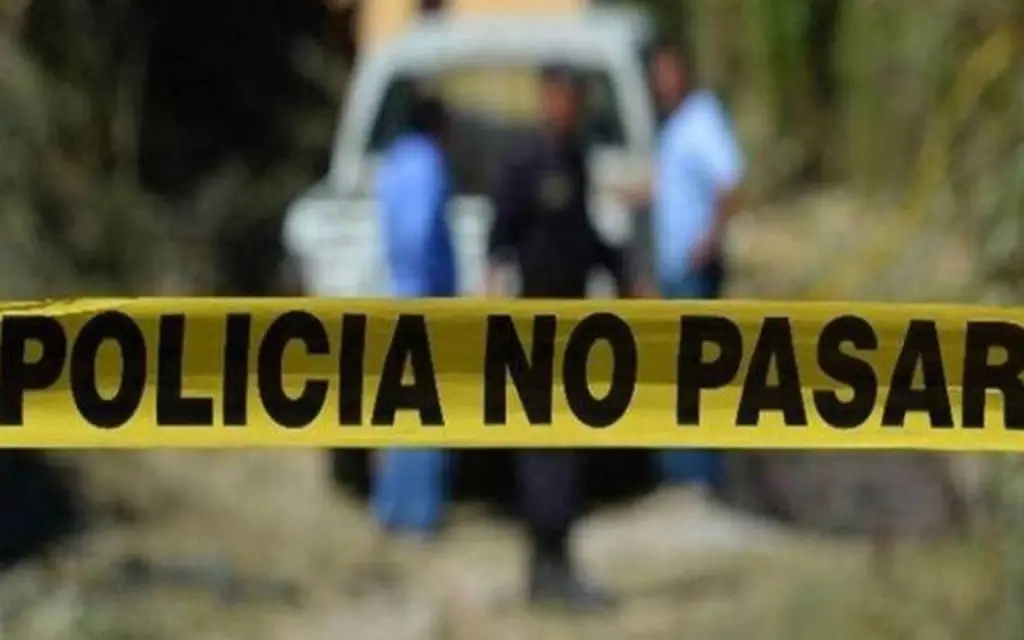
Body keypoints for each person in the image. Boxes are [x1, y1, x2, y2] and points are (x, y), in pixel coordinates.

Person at [486, 65, 628, 610]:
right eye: (559, 96)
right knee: (544, 444)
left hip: (575, 323)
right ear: (545, 98)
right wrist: (493, 294)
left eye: (574, 97)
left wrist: (623, 276)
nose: (566, 106)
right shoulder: (524, 162)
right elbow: (501, 240)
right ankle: (545, 567)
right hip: (533, 324)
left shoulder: (576, 156)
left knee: (568, 442)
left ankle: (559, 561)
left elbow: (585, 236)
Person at [632, 39, 746, 488]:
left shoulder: (701, 120)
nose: (661, 81)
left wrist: (709, 240)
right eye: (656, 73)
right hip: (673, 271)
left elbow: (730, 183)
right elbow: (664, 187)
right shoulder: (676, 125)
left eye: (667, 71)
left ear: (683, 73)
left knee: (695, 374)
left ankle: (699, 476)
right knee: (673, 372)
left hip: (694, 271)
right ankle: (680, 471)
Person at [369, 92, 458, 537]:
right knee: (425, 410)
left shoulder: (394, 162)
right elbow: (421, 231)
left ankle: (391, 507)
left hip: (398, 292)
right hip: (424, 299)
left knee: (397, 407)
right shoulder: (429, 164)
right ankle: (420, 513)